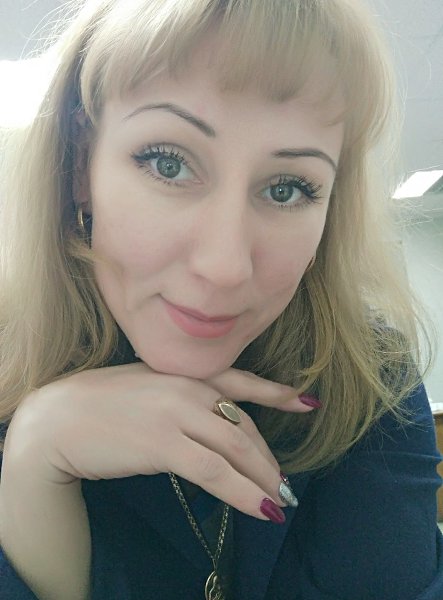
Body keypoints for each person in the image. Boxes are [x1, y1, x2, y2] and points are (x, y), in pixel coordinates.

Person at [0, 0, 442, 598]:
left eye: (286, 189)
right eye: (168, 163)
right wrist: (33, 465)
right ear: (82, 165)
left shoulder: (369, 383)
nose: (225, 267)